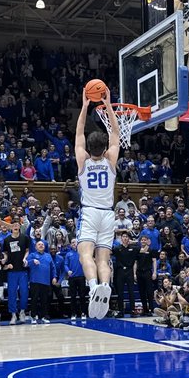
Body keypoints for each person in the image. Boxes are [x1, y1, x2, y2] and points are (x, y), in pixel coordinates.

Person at [75, 86, 119, 318]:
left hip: (90, 212)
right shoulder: (111, 159)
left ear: (89, 148)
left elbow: (79, 133)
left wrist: (85, 106)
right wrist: (108, 105)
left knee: (85, 254)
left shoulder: (83, 160)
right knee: (103, 258)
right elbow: (115, 132)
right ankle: (105, 287)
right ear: (104, 148)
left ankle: (94, 288)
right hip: (108, 214)